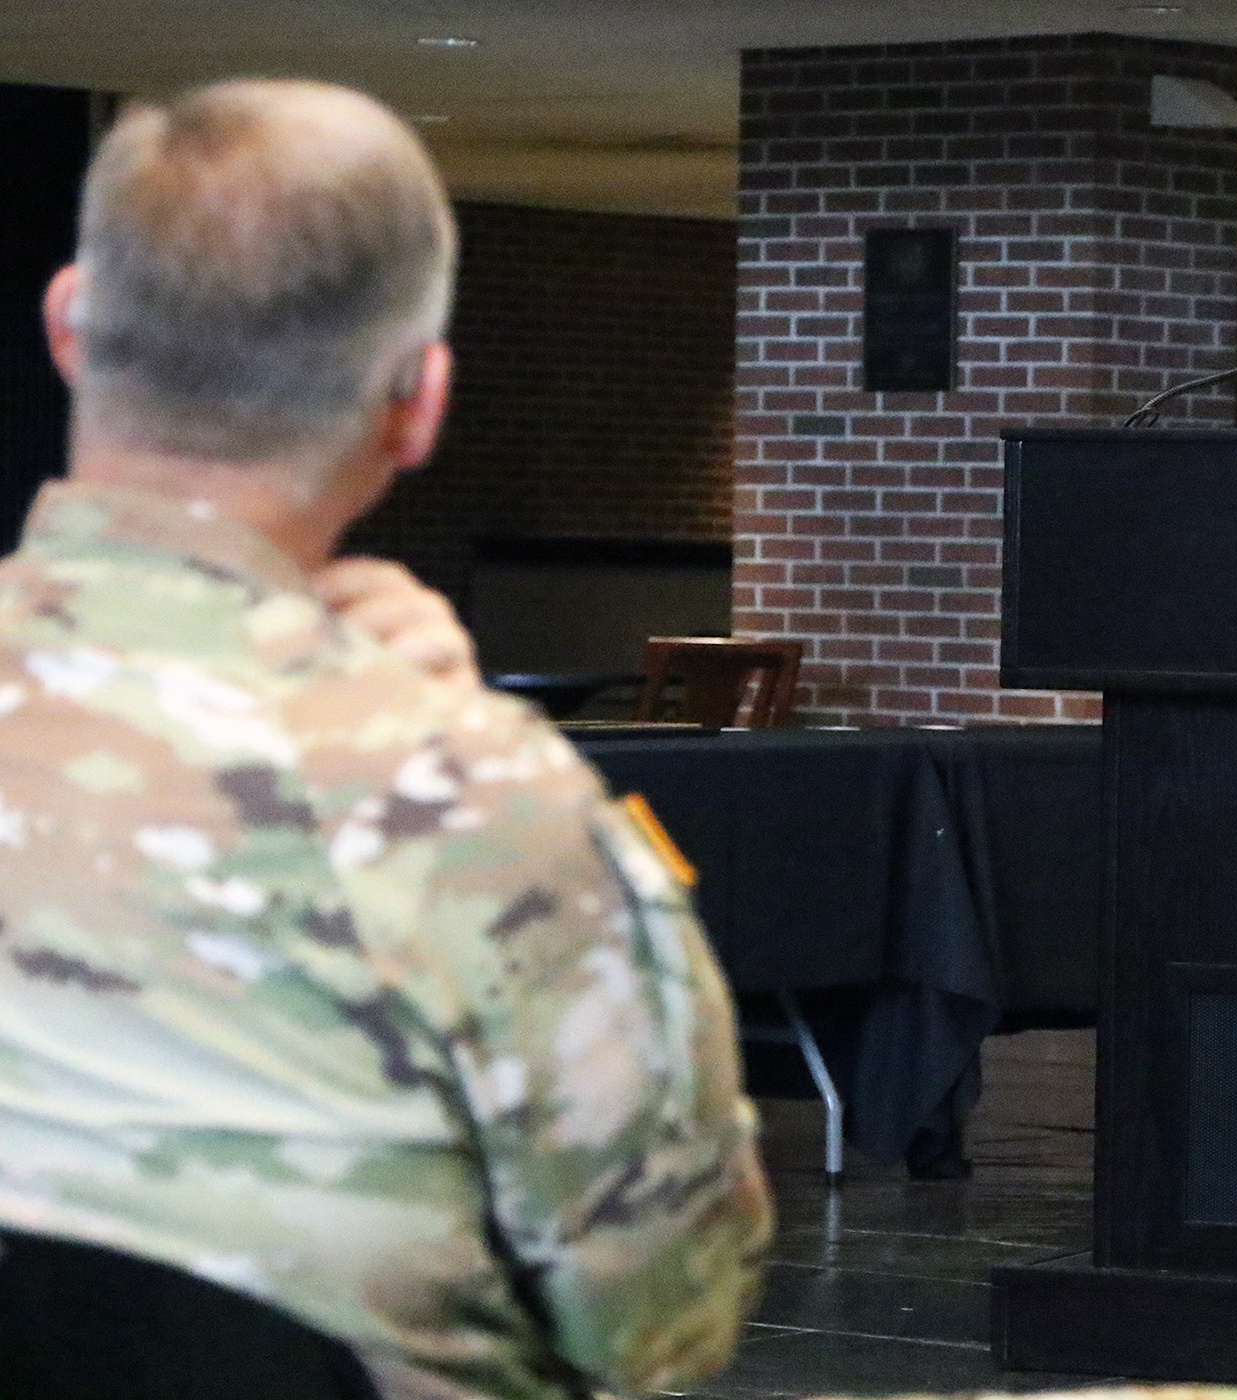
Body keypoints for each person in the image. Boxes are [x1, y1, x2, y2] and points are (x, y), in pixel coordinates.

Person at [0, 78, 773, 1399]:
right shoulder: (481, 802)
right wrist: (458, 742)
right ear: (419, 399)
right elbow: (665, 1321)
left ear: (70, 323)